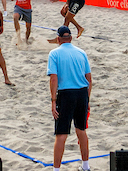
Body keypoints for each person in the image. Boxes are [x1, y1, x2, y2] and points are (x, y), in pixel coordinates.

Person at [47, 25, 92, 171]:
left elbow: (54, 79)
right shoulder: (81, 53)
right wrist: (88, 100)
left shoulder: (54, 54)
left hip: (66, 94)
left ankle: (56, 169)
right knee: (81, 130)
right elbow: (89, 79)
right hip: (81, 93)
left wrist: (53, 101)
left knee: (61, 133)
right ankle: (86, 166)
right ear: (71, 38)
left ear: (58, 39)